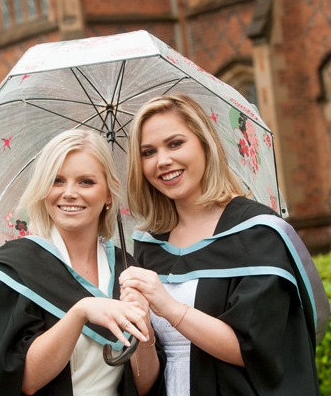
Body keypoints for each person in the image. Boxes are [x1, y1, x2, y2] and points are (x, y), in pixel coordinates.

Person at [120, 94, 328, 395]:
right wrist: (141, 330)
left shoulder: (256, 233)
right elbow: (147, 373)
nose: (162, 160)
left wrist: (169, 307)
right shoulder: (148, 245)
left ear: (204, 144)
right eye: (148, 152)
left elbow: (255, 349)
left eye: (175, 143)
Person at [0, 129, 165, 396]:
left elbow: (143, 386)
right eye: (57, 181)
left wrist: (144, 330)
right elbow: (23, 380)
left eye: (86, 182)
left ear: (109, 193)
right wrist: (80, 312)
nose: (69, 193)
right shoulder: (13, 270)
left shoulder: (127, 269)